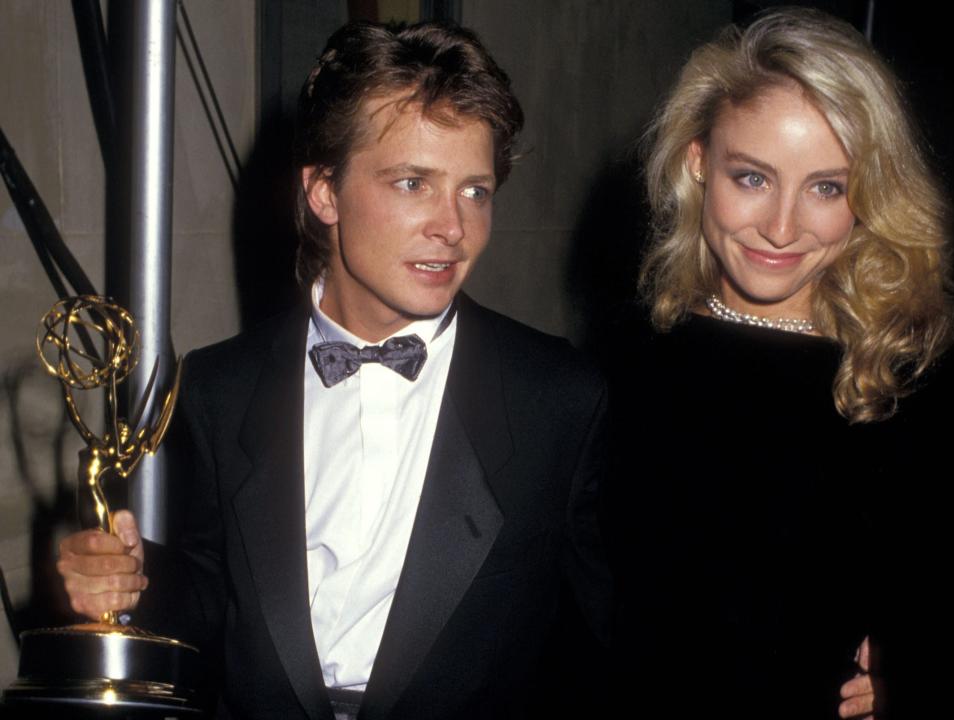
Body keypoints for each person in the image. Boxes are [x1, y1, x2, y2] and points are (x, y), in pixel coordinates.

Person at [56, 21, 612, 719]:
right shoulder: (219, 388)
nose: (454, 227)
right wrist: (131, 580)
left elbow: (602, 651)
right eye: (414, 183)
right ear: (324, 193)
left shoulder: (556, 400)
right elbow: (212, 604)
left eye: (476, 191)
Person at [606, 7, 954, 720]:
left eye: (826, 187)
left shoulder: (911, 384)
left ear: (868, 195)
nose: (782, 226)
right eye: (753, 178)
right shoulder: (621, 372)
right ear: (699, 162)